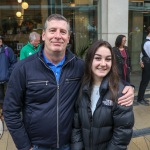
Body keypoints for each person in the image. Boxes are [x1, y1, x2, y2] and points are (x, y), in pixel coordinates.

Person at [3, 14, 134, 150]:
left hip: (69, 144)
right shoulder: (23, 68)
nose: (58, 36)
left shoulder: (79, 66)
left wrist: (128, 87)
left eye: (63, 32)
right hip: (36, 146)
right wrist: (24, 146)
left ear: (68, 38)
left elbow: (103, 75)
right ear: (43, 35)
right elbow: (10, 111)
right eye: (52, 30)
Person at [71, 40, 134, 150]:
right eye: (98, 58)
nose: (103, 64)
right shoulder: (81, 87)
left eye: (108, 59)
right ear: (90, 60)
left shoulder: (121, 92)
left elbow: (121, 135)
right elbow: (76, 126)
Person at [0, 35, 17, 110]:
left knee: (8, 99)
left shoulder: (7, 50)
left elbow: (14, 62)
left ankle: (7, 115)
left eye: (0, 39)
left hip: (6, 79)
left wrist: (9, 73)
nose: (0, 40)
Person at [137, 26, 150, 105]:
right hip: (148, 64)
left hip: (146, 64)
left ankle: (140, 98)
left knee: (144, 81)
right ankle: (140, 98)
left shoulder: (145, 41)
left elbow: (142, 53)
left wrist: (141, 61)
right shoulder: (148, 42)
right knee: (145, 82)